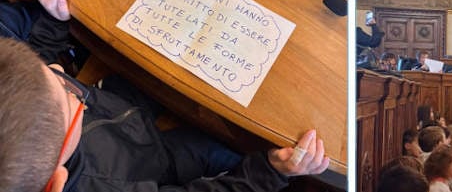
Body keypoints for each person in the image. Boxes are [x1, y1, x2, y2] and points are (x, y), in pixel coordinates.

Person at [0, 38, 328, 192]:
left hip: (123, 110)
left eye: (52, 72)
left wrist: (50, 22)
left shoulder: (41, 103)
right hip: (157, 165)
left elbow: (42, 71)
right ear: (56, 183)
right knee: (236, 152)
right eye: (69, 99)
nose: (61, 72)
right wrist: (270, 172)